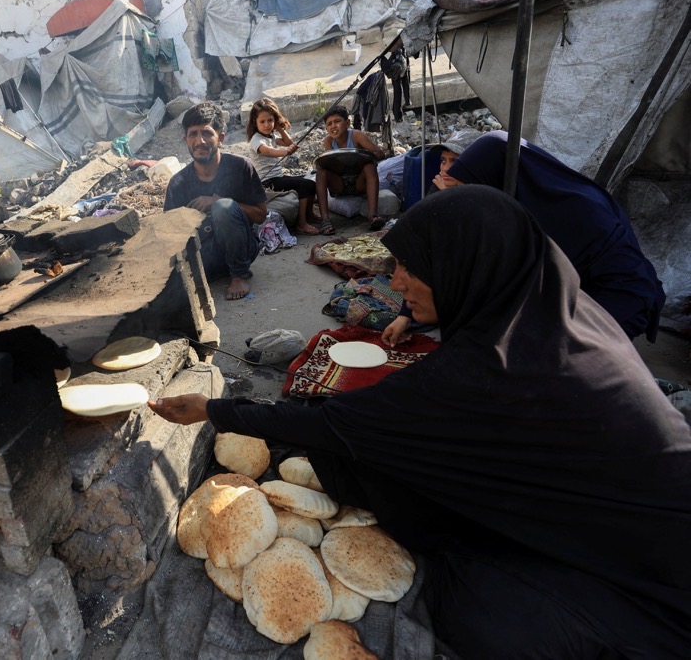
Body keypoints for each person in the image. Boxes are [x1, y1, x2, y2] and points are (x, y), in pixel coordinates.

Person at [150, 186, 691, 659]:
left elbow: (338, 425)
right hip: (629, 510)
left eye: (412, 268)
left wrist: (213, 409)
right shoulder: (561, 313)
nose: (396, 281)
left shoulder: (482, 373)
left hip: (651, 564)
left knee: (481, 612)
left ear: (466, 268)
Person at [445, 130, 665, 341]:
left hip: (616, 303)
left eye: (474, 185)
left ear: (497, 174)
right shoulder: (526, 203)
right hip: (575, 299)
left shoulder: (574, 208)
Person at [381, 128, 481, 346]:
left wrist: (451, 199)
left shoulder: (494, 198)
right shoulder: (440, 186)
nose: (446, 168)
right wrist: (405, 315)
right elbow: (421, 245)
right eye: (443, 161)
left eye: (455, 161)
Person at [164, 101, 267, 300]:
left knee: (223, 206)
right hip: (204, 256)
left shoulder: (240, 167)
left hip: (243, 248)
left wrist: (218, 201)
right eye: (193, 134)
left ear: (220, 139)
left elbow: (261, 215)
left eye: (206, 133)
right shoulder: (177, 183)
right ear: (186, 140)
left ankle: (239, 275)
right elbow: (169, 234)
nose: (199, 141)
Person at [246, 98, 319, 235]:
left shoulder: (270, 136)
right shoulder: (256, 140)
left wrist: (280, 128)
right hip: (268, 181)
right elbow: (268, 151)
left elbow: (288, 142)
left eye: (270, 120)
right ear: (255, 122)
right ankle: (301, 224)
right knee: (304, 185)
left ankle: (309, 214)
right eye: (262, 121)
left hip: (278, 177)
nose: (267, 125)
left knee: (312, 181)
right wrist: (285, 152)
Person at [315, 105, 386, 233]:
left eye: (337, 121)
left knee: (370, 167)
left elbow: (380, 153)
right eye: (329, 124)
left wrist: (362, 160)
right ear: (326, 128)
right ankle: (325, 220)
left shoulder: (356, 136)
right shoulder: (328, 141)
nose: (333, 126)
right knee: (321, 174)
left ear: (347, 123)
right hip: (339, 185)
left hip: (359, 183)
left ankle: (373, 216)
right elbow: (332, 166)